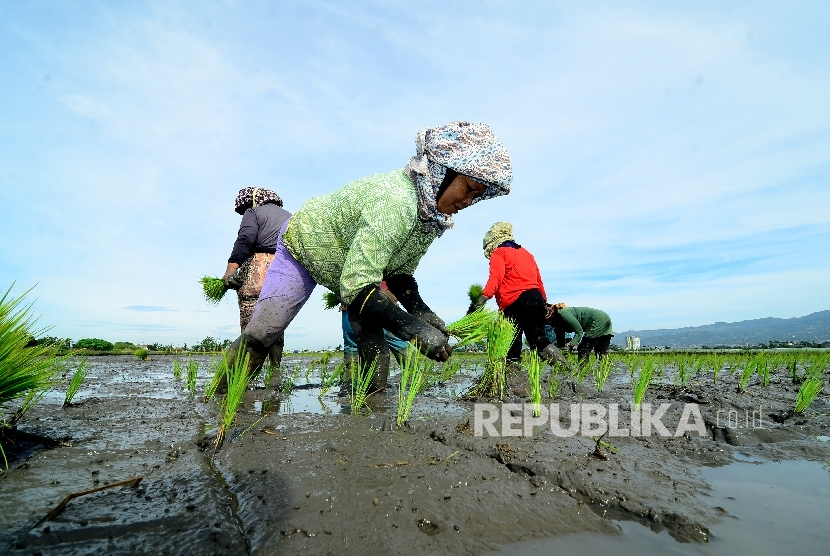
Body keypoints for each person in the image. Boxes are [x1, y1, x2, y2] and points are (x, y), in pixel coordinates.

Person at [226, 121, 513, 392]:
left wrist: (421, 311)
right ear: (442, 172)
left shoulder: (429, 220)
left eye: (476, 196)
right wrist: (414, 330)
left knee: (373, 340)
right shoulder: (396, 202)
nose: (467, 201)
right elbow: (356, 286)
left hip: (353, 269)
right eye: (468, 189)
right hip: (306, 247)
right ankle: (220, 397)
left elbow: (399, 273)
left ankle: (369, 406)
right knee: (263, 332)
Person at [472, 222, 567, 366]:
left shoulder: (499, 253)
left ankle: (514, 381)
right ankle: (565, 371)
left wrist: (481, 299)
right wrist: (544, 303)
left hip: (515, 303)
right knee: (538, 339)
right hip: (536, 299)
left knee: (512, 344)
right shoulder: (527, 253)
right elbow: (539, 281)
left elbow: (495, 279)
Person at [221, 187, 291, 369]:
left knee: (251, 325)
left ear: (253, 201)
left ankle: (245, 375)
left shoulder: (254, 212)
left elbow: (245, 239)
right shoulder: (291, 217)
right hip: (284, 275)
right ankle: (275, 372)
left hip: (257, 272)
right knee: (276, 325)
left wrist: (231, 270)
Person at [545, 303, 614, 363]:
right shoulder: (557, 326)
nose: (548, 323)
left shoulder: (563, 314)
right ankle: (608, 372)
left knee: (583, 349)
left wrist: (571, 346)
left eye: (548, 321)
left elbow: (579, 331)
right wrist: (562, 353)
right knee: (600, 352)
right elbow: (561, 345)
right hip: (603, 319)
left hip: (598, 320)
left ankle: (583, 372)